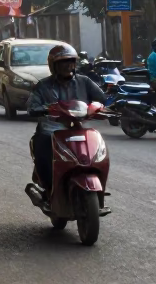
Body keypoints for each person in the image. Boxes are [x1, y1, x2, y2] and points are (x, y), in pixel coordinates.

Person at [26, 44, 106, 200]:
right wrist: (44, 109)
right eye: (63, 62)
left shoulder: (84, 81)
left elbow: (101, 98)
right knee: (42, 150)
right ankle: (49, 190)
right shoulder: (43, 86)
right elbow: (32, 106)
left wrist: (98, 107)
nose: (68, 65)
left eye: (70, 61)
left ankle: (98, 185)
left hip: (78, 127)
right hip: (51, 130)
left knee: (97, 150)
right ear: (53, 65)